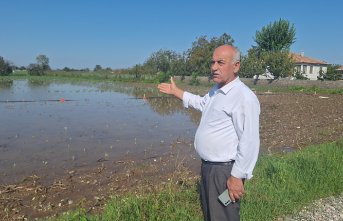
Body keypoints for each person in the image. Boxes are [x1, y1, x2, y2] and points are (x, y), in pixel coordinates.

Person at [157, 45, 260, 221]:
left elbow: (249, 141)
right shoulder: (217, 90)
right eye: (212, 62)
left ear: (236, 66)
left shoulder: (243, 97)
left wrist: (237, 177)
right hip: (209, 168)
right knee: (211, 215)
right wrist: (176, 92)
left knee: (223, 216)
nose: (214, 67)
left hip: (224, 172)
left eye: (220, 62)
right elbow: (201, 103)